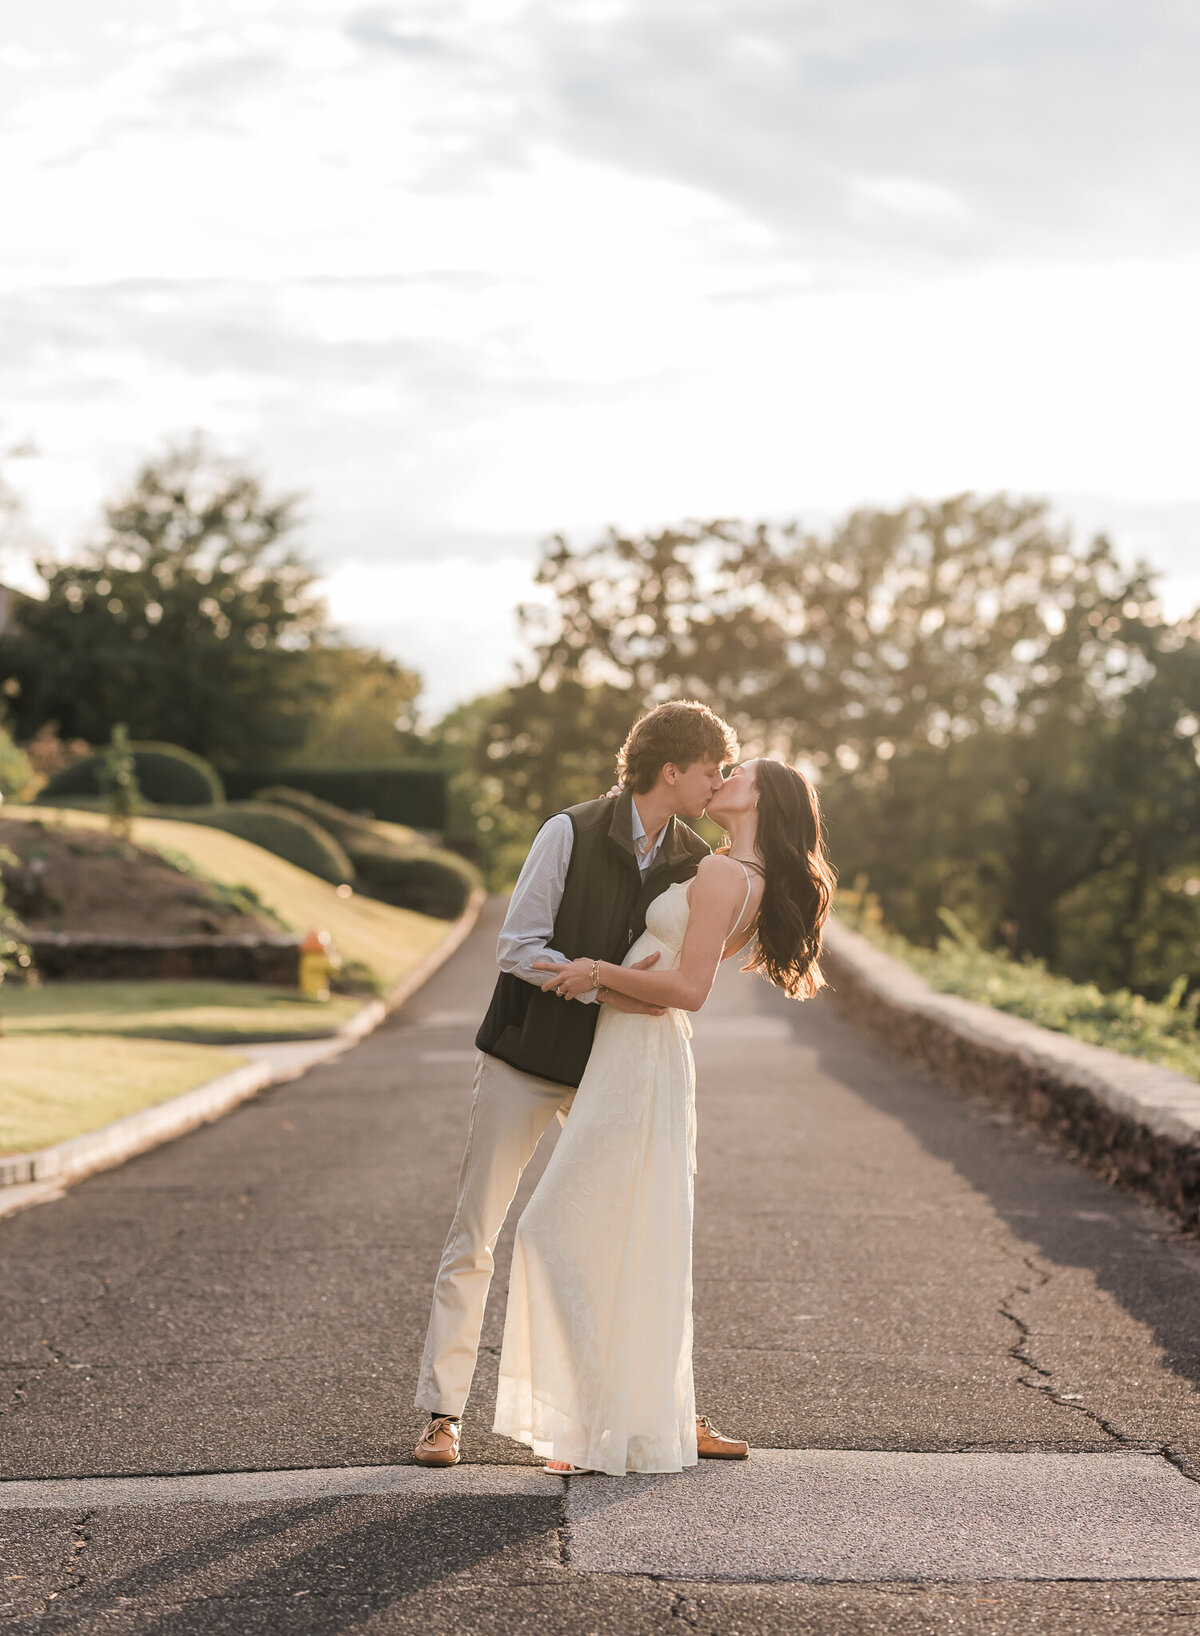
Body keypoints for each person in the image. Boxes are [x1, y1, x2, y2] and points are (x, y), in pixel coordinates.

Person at [413, 700, 748, 1467]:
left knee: (631, 1235)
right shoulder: (567, 830)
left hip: (613, 1070)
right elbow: (515, 945)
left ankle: (660, 1410)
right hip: (523, 1060)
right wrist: (596, 982)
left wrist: (613, 988)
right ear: (672, 770)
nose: (717, 784)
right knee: (478, 1235)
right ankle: (441, 1415)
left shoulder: (696, 859)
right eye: (710, 771)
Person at [492, 756, 835, 1476]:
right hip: (636, 1045)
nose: (725, 778)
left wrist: (593, 972)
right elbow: (667, 986)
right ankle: (608, 1420)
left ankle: (600, 1422)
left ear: (760, 801)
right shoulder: (737, 872)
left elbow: (688, 987)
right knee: (614, 1234)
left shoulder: (721, 876)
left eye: (738, 774)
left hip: (641, 1059)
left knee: (554, 1228)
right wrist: (620, 992)